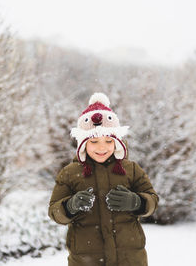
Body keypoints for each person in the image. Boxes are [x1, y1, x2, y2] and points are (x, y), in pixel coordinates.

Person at [48, 92, 159, 266]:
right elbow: (54, 211)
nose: (102, 147)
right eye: (94, 142)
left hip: (129, 259)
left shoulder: (131, 170)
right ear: (83, 143)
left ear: (117, 142)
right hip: (86, 260)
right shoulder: (70, 173)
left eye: (108, 141)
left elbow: (152, 200)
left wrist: (137, 202)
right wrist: (70, 206)